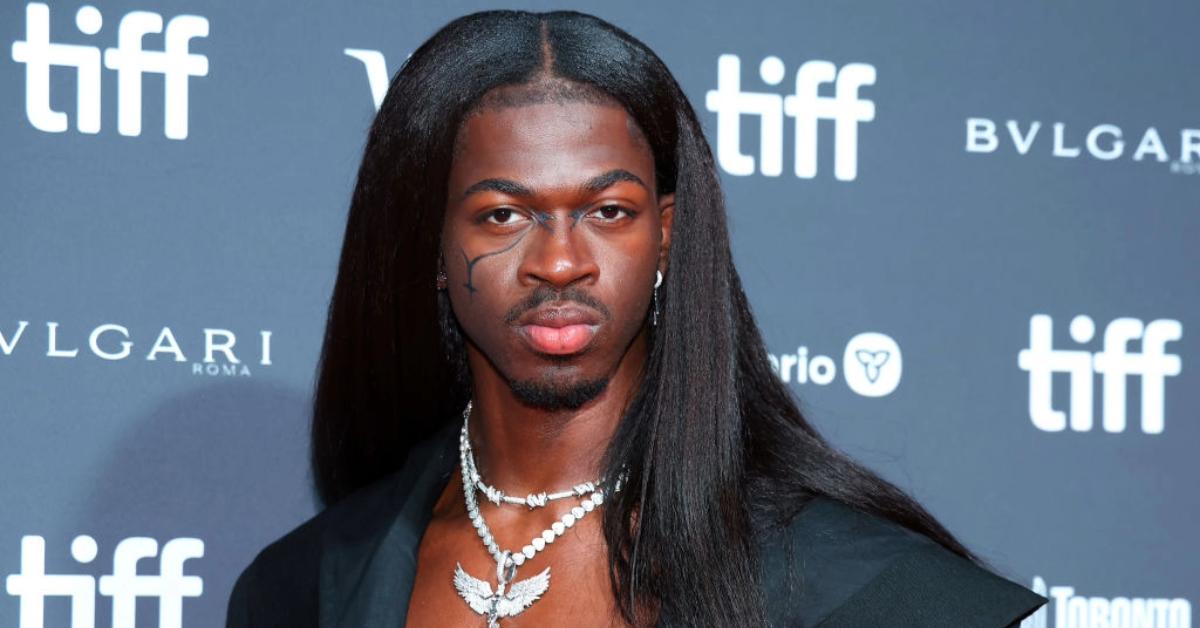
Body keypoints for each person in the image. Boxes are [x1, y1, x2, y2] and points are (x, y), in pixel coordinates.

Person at [226, 9, 1047, 627]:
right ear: (431, 248)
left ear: (667, 234)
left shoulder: (855, 587)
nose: (560, 262)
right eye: (503, 216)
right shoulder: (302, 589)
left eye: (609, 212)